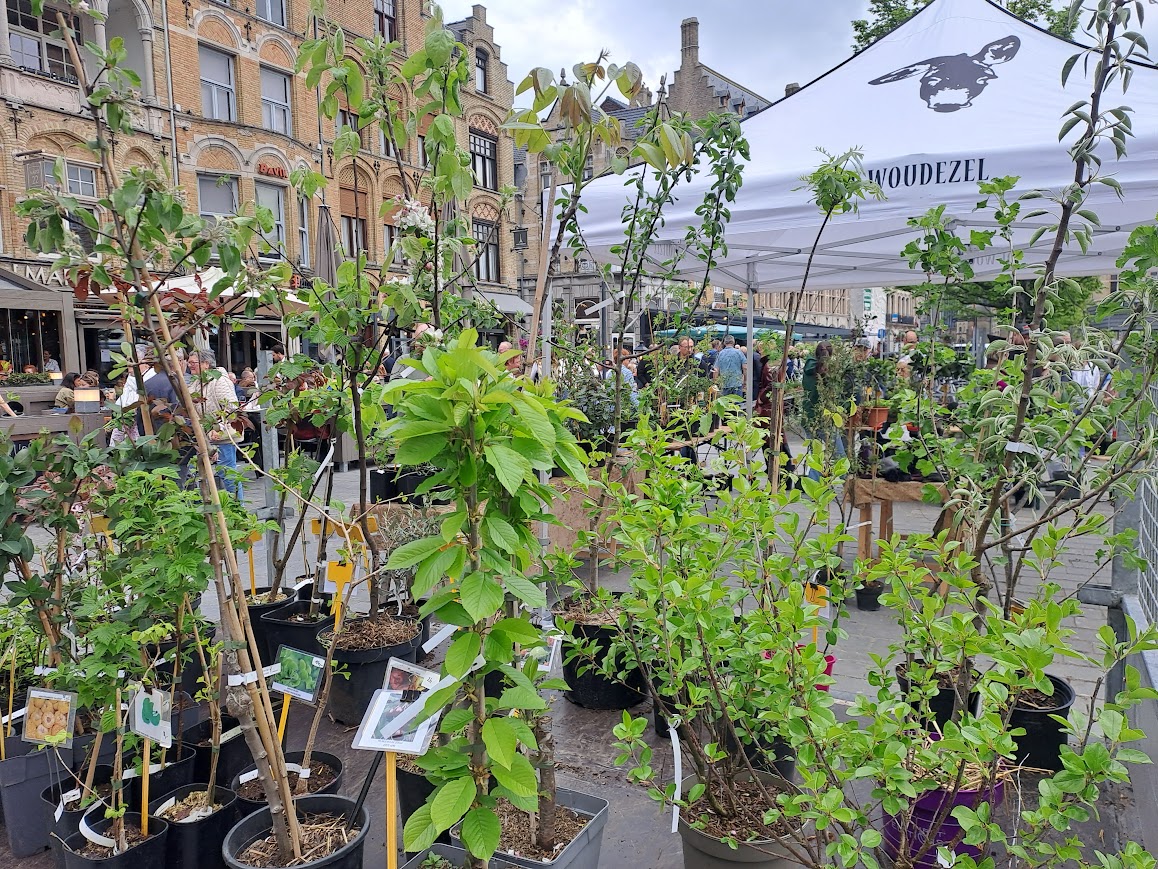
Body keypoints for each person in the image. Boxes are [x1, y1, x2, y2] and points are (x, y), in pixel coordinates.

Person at [188, 348, 242, 498]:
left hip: (222, 437)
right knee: (200, 474)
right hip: (204, 436)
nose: (189, 365)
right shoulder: (195, 383)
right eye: (189, 362)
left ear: (206, 364)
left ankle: (239, 509)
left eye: (193, 362)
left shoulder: (219, 381)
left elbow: (231, 409)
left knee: (227, 474)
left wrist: (217, 428)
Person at [109, 349, 153, 446]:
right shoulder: (130, 378)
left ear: (145, 362)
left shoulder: (152, 378)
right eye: (128, 359)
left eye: (132, 359)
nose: (129, 363)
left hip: (143, 423)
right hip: (125, 421)